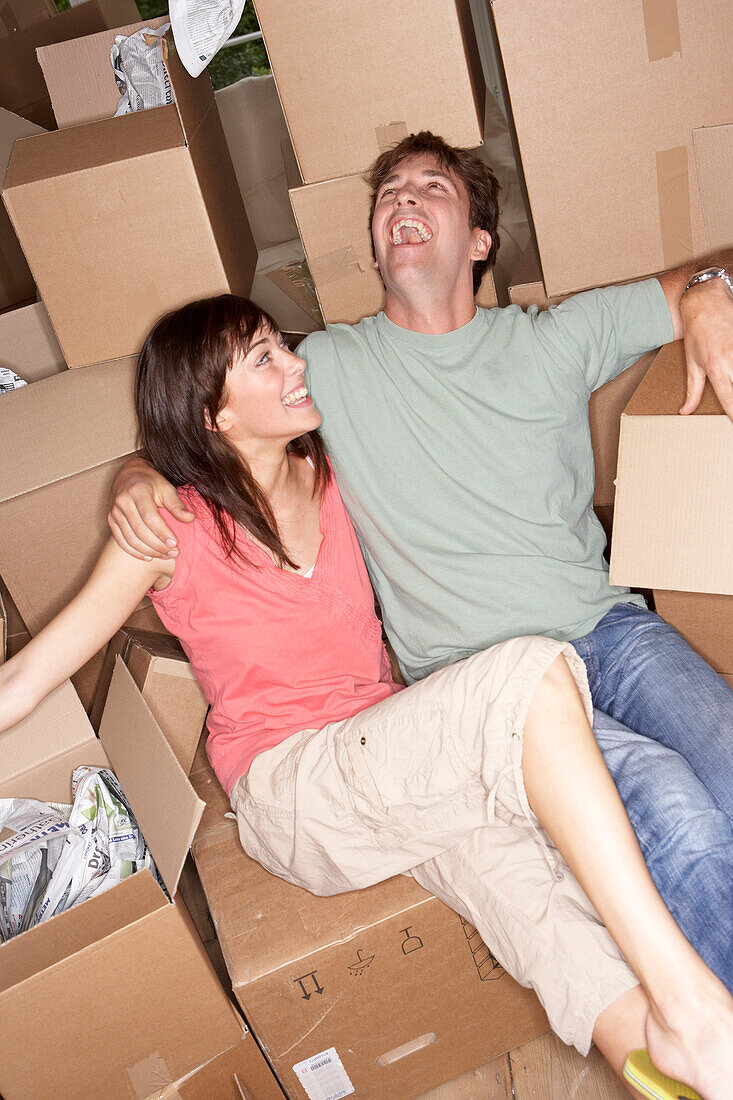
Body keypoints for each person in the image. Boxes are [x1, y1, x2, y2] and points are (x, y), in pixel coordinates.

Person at [2, 294, 732, 1099]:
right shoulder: (172, 531)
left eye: (283, 346)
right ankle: (693, 1009)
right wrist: (136, 475)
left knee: (535, 897)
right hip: (294, 789)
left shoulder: (333, 477)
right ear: (212, 414)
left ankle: (674, 1061)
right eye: (264, 359)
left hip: (387, 753)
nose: (295, 364)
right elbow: (30, 675)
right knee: (527, 681)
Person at [109, 133, 733, 995]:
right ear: (373, 244)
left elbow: (703, 276)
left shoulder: (557, 337)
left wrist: (709, 290)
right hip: (482, 684)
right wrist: (137, 473)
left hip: (610, 630)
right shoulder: (321, 369)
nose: (402, 199)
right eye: (388, 191)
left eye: (431, 187)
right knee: (674, 814)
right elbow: (199, 414)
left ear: (478, 239)